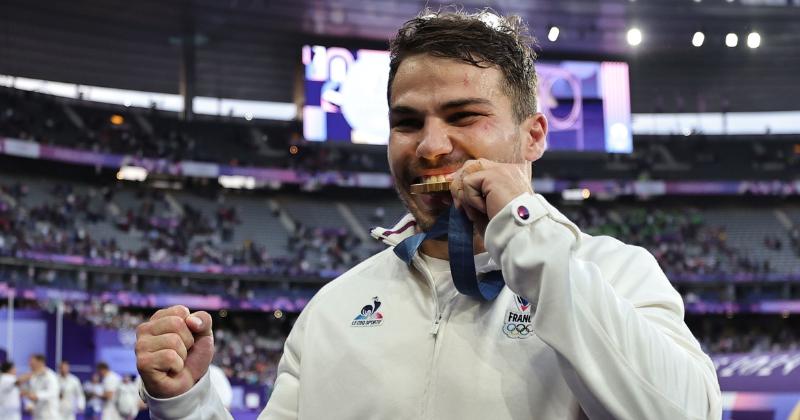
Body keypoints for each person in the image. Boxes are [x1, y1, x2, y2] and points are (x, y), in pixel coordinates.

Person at [134, 9, 722, 420]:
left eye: (465, 116)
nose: (431, 147)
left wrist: (531, 241)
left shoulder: (615, 274)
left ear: (534, 135)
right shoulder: (335, 307)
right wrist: (190, 405)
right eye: (407, 122)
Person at [19, 354, 59, 419]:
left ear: (40, 363)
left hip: (49, 415)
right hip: (36, 414)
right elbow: (27, 392)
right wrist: (28, 401)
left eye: (32, 362)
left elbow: (52, 392)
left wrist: (37, 396)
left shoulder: (50, 376)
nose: (30, 364)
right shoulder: (33, 376)